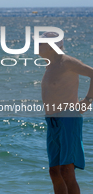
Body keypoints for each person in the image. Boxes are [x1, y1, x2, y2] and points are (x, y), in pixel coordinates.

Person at [39, 31, 93, 194]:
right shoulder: (50, 65)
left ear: (51, 46)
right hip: (52, 122)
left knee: (66, 171)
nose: (37, 47)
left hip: (68, 118)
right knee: (54, 171)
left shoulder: (67, 62)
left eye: (40, 44)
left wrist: (87, 100)